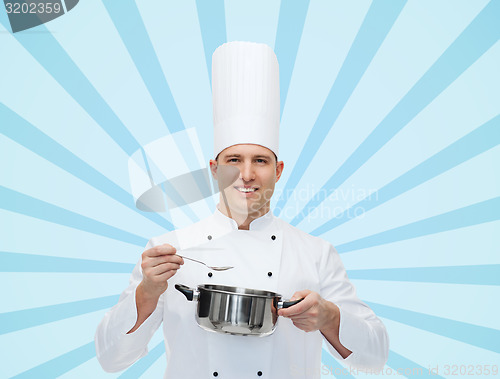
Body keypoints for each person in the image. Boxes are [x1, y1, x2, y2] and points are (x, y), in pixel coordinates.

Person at [95, 41, 389, 378]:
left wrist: (330, 318)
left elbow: (375, 358)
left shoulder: (317, 254)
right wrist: (146, 293)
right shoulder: (168, 253)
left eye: (260, 161)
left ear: (278, 170)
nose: (246, 175)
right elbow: (110, 360)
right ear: (214, 169)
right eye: (233, 160)